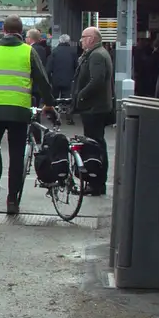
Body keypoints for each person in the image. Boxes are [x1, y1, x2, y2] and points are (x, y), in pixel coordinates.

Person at [0, 16, 53, 215]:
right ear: (21, 32)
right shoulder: (28, 51)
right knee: (16, 154)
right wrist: (49, 103)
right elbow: (42, 79)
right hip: (19, 110)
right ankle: (12, 199)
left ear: (4, 30)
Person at [71, 26, 115, 195]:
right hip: (96, 107)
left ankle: (96, 182)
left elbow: (96, 80)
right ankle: (96, 181)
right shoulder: (98, 53)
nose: (81, 40)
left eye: (83, 37)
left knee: (94, 145)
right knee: (96, 143)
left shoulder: (96, 55)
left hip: (94, 108)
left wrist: (81, 96)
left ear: (91, 39)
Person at [47, 34, 77, 112]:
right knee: (66, 98)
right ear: (68, 41)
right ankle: (67, 113)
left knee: (55, 97)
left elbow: (49, 67)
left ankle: (55, 112)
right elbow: (76, 66)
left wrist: (49, 79)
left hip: (56, 79)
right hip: (68, 79)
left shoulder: (54, 51)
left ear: (59, 41)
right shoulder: (73, 52)